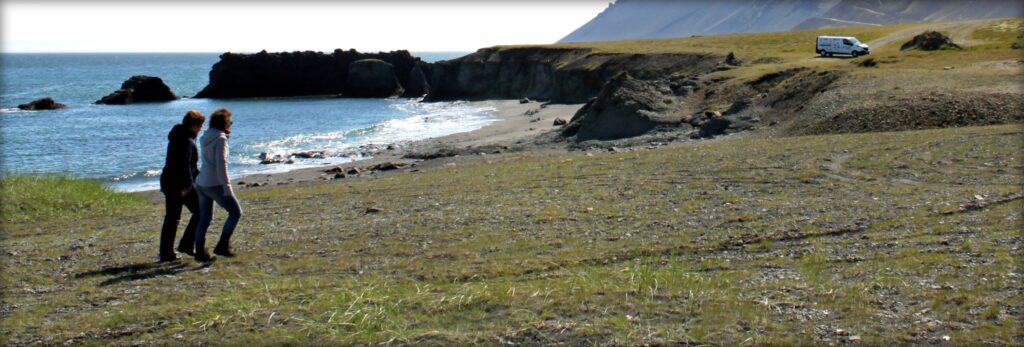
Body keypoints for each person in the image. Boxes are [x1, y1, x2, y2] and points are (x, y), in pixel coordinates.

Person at [194, 108, 242, 262]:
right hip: (215, 183)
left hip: (202, 182)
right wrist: (226, 186)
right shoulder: (221, 139)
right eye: (230, 123)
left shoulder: (204, 137)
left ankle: (200, 250)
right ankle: (223, 245)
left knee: (204, 218)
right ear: (225, 123)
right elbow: (221, 164)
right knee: (235, 212)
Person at [158, 110, 205, 262]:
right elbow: (185, 165)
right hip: (179, 184)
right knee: (200, 211)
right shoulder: (186, 141)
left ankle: (167, 252)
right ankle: (185, 243)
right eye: (200, 126)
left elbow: (188, 166)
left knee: (172, 217)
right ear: (194, 125)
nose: (201, 129)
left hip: (169, 181)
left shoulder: (177, 136)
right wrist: (187, 186)